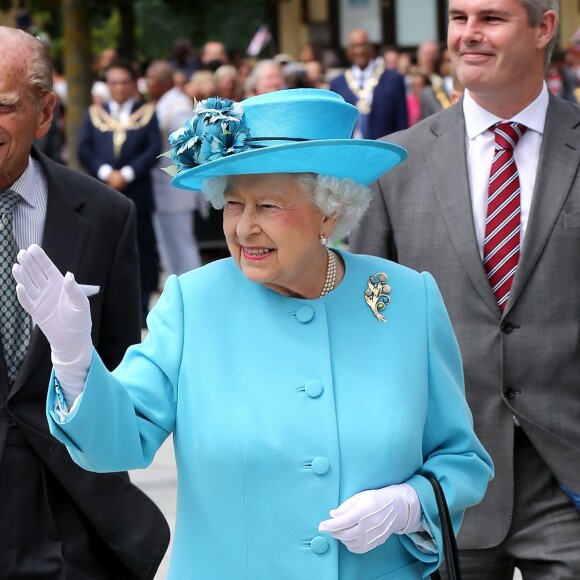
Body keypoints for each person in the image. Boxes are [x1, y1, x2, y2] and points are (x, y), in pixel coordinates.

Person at [13, 88, 492, 579]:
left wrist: (411, 504)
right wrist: (74, 357)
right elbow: (114, 444)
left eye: (267, 206)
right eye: (233, 204)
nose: (244, 229)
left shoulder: (407, 299)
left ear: (330, 211)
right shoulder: (191, 304)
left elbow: (462, 459)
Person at [350, 1, 580, 578]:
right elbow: (367, 320)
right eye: (459, 18)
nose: (469, 35)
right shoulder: (394, 163)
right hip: (443, 485)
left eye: (491, 18)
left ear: (544, 27)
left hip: (569, 482)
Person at [0, 26, 169, 578]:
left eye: (3, 107)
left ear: (45, 113)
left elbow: (119, 375)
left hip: (70, 515)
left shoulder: (105, 216)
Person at [78, 58, 161, 327]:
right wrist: (105, 173)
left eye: (124, 82)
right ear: (107, 85)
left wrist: (125, 174)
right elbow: (84, 149)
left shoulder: (147, 111)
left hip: (137, 192)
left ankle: (141, 311)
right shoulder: (94, 114)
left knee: (142, 254)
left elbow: (153, 149)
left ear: (133, 84)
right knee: (103, 251)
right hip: (102, 193)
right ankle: (107, 314)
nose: (119, 88)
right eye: (114, 82)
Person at [145, 59, 205, 276]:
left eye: (150, 81)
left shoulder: (178, 108)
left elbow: (189, 150)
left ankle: (194, 292)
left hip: (175, 192)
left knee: (181, 249)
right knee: (169, 251)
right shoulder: (166, 103)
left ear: (160, 82)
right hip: (164, 191)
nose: (147, 86)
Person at [330, 28, 408, 139]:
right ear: (348, 50)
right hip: (348, 150)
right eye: (354, 46)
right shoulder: (337, 83)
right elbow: (334, 123)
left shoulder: (392, 79)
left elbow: (401, 120)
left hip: (384, 148)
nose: (359, 51)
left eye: (363, 45)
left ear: (371, 48)